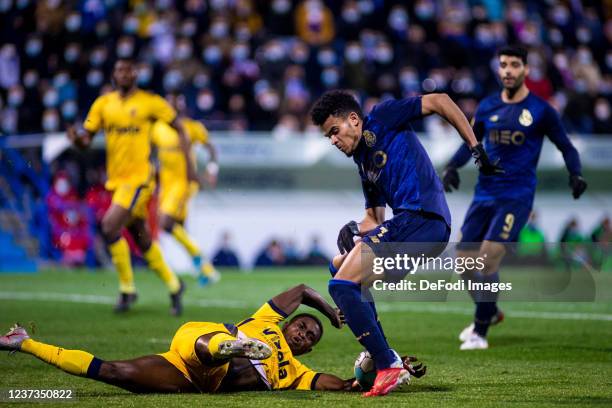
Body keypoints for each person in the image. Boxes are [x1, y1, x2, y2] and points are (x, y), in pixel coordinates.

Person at [309, 89, 497, 396]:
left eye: (334, 131)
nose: (333, 141)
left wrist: (475, 147)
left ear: (354, 120)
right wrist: (354, 227)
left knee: (342, 286)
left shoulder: (383, 116)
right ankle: (387, 356)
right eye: (328, 136)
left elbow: (440, 101)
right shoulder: (363, 162)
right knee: (338, 268)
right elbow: (374, 219)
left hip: (423, 219)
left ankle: (387, 362)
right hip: (409, 227)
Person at [0, 284, 425, 393]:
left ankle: (23, 342)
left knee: (114, 373)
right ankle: (230, 346)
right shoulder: (265, 321)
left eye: (309, 336)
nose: (302, 330)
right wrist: (329, 312)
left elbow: (349, 386)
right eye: (301, 324)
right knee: (213, 345)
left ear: (309, 349)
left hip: (192, 378)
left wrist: (390, 365)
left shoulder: (295, 373)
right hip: (197, 344)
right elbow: (298, 292)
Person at [442, 46, 587, 350]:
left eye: (514, 65)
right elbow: (472, 140)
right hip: (484, 194)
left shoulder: (541, 110)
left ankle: (480, 332)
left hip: (516, 196)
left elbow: (567, 147)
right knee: (463, 263)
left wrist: (575, 173)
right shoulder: (487, 106)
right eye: (504, 65)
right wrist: (453, 166)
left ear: (526, 70)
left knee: (489, 257)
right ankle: (490, 311)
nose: (508, 70)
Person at [66, 58, 195, 315]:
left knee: (109, 225)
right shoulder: (103, 104)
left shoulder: (151, 102)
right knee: (141, 236)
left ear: (136, 73)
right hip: (117, 181)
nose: (123, 73)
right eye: (119, 69)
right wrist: (76, 140)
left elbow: (178, 126)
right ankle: (174, 284)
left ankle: (127, 289)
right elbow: (86, 140)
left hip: (140, 180)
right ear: (114, 74)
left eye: (128, 69)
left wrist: (187, 160)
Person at [151, 93, 220, 286]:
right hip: (166, 185)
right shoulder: (158, 128)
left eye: (178, 103)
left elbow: (212, 149)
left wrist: (212, 170)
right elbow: (151, 152)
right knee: (176, 227)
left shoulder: (192, 127)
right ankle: (205, 269)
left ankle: (201, 263)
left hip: (184, 183)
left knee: (165, 223)